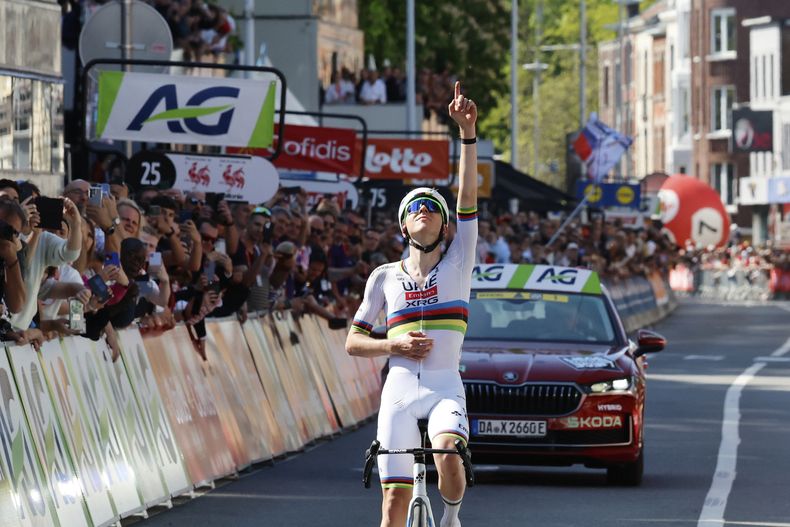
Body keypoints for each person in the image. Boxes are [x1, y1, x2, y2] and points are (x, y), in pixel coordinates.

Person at [346, 81, 478, 527]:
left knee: (447, 457)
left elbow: (467, 204)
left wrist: (467, 135)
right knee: (391, 507)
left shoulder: (459, 263)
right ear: (404, 225)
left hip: (444, 386)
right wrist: (394, 347)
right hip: (398, 392)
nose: (424, 209)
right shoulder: (384, 277)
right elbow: (352, 342)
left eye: (432, 207)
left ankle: (452, 516)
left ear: (444, 226)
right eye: (415, 206)